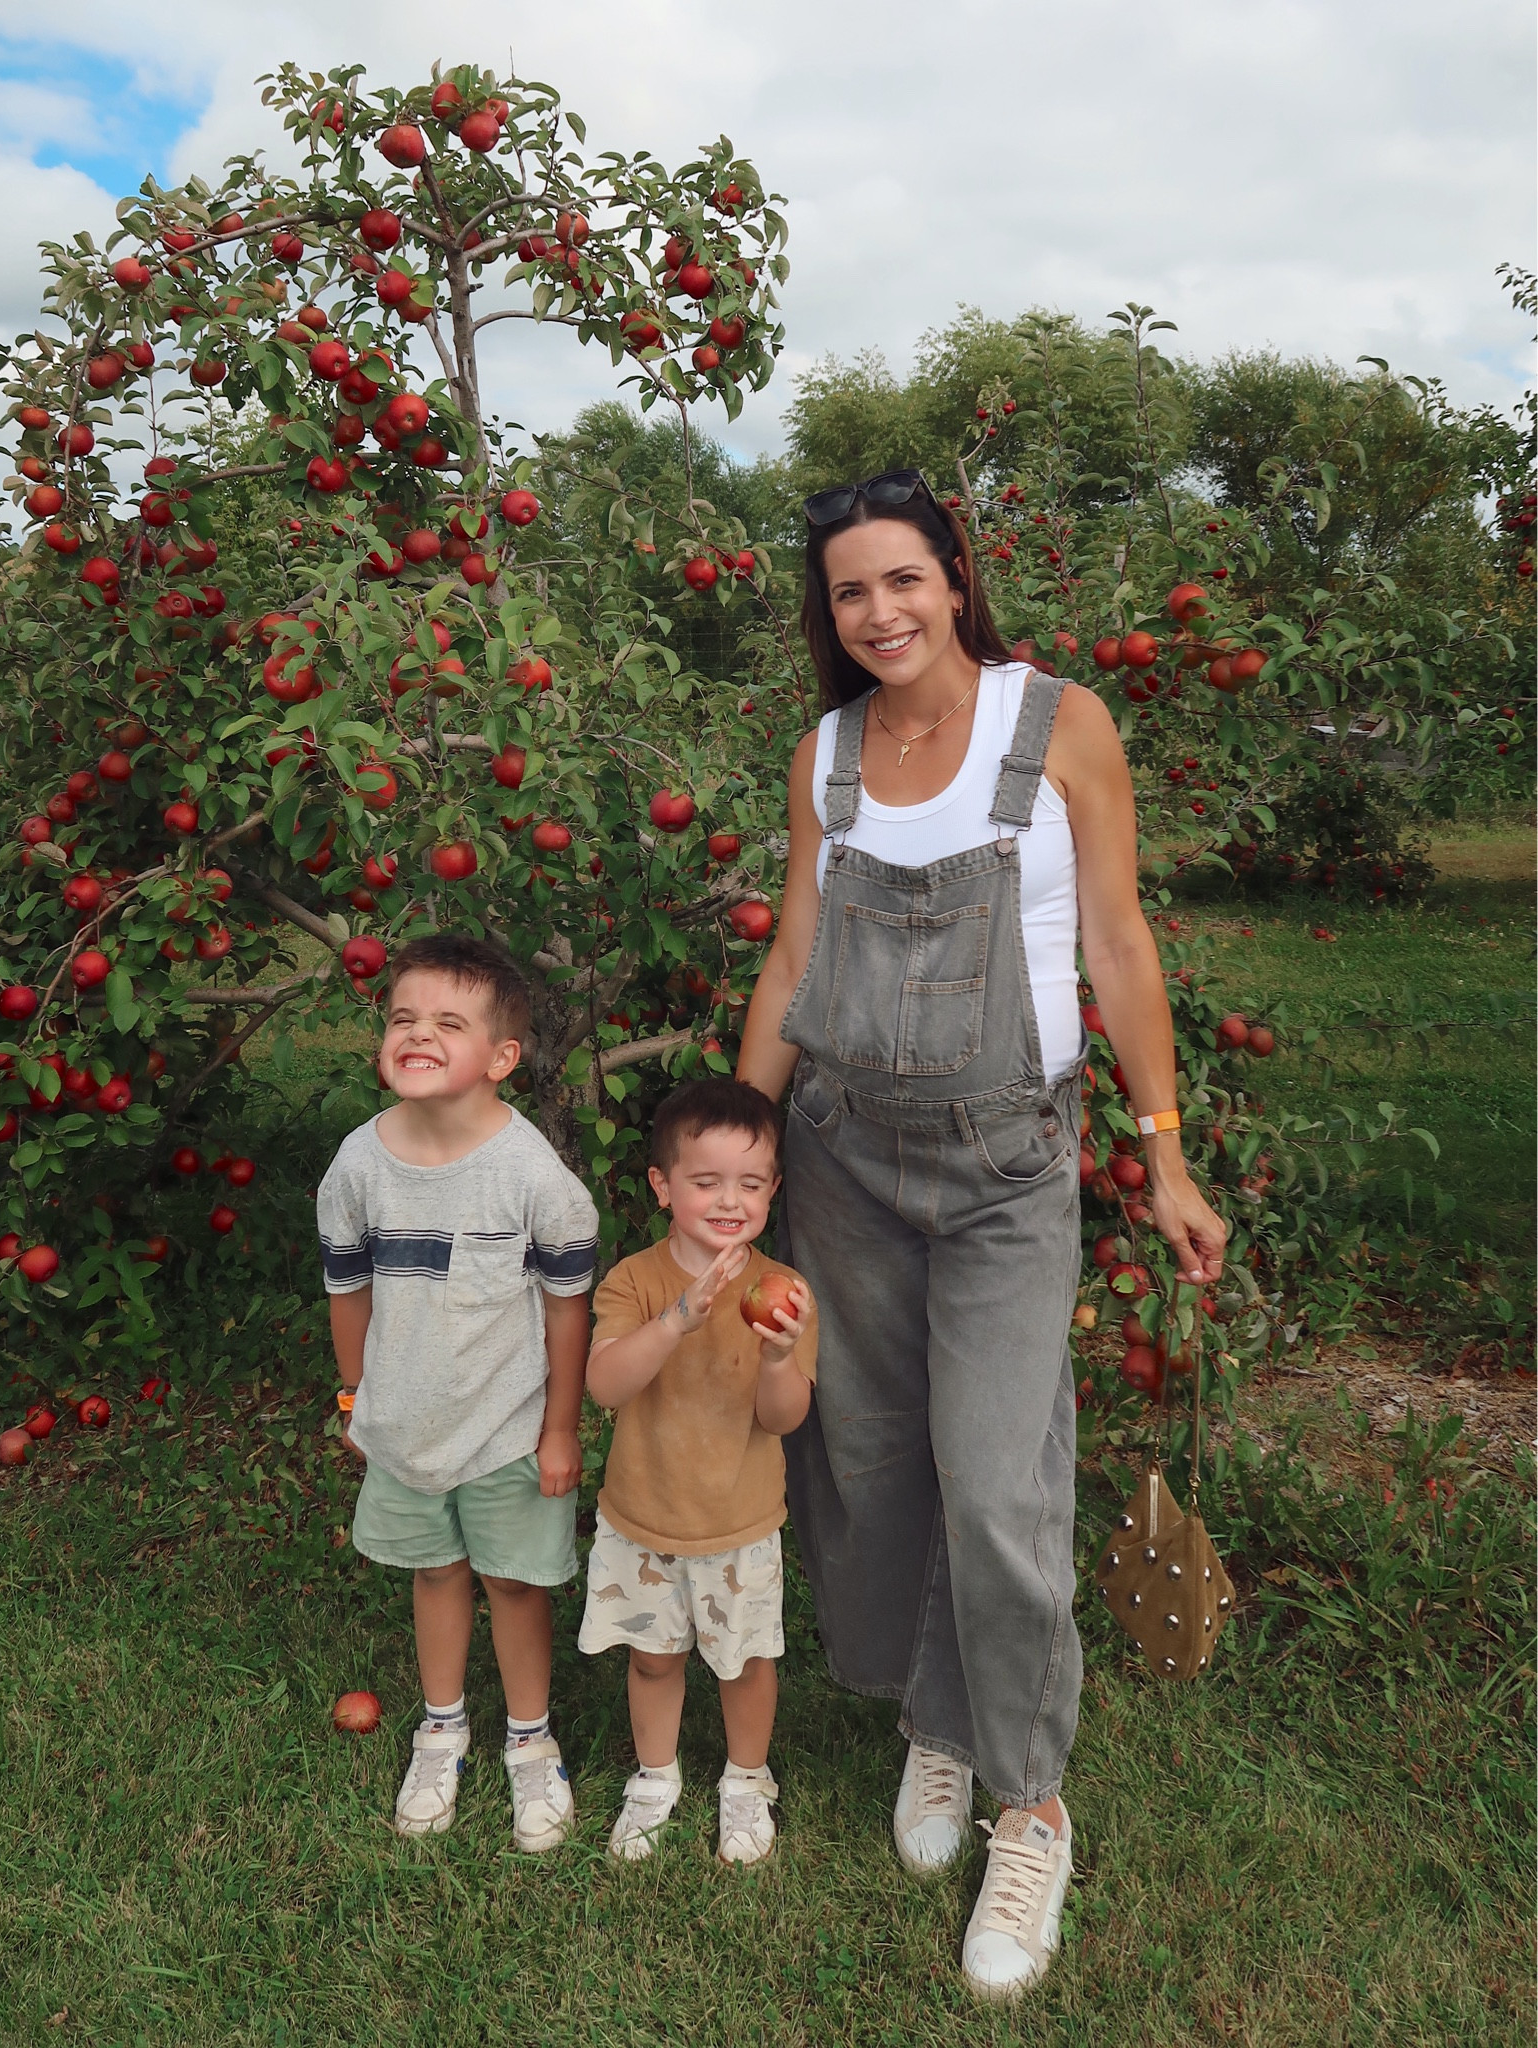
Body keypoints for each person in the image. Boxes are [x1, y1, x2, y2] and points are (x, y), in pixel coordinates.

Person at [737, 470, 1226, 2000]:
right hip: (842, 1161)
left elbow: (1117, 943)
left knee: (999, 1481)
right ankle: (933, 1724)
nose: (878, 613)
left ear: (954, 576)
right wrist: (743, 1157)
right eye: (848, 592)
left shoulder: (1056, 724)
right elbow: (793, 956)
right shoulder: (824, 754)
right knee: (873, 1460)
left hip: (1008, 1163)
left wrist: (1160, 1153)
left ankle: (1030, 1803)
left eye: (902, 579)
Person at [317, 933, 599, 1850]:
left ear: (501, 1057)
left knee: (514, 1584)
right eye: (403, 1018)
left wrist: (560, 1431)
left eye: (448, 1023)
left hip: (508, 1428)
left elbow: (567, 1313)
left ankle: (530, 1740)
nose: (418, 1034)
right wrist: (355, 1398)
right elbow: (348, 1290)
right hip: (404, 1425)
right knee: (435, 1572)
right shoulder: (357, 1167)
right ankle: (441, 1728)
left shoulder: (534, 1180)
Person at [580, 1078, 817, 1866]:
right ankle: (655, 1776)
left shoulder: (785, 1294)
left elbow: (783, 1418)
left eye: (749, 1183)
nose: (728, 1200)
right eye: (706, 1181)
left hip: (739, 1523)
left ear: (772, 1190)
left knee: (745, 1662)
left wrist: (778, 1357)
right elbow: (605, 1385)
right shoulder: (634, 1281)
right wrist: (677, 1318)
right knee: (652, 1659)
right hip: (642, 1519)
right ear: (662, 1185)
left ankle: (746, 1780)